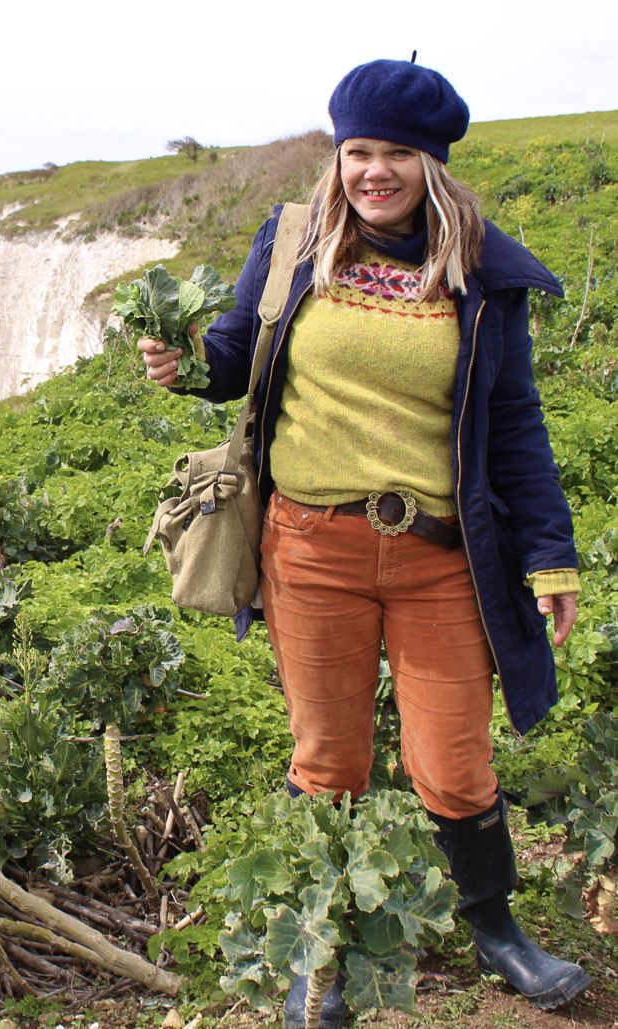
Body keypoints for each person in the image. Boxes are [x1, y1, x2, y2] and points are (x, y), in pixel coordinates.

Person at [139, 58, 590, 1029]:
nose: (373, 172)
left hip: (440, 557)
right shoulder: (298, 239)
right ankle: (323, 958)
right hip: (312, 550)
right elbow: (234, 356)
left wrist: (550, 556)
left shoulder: (479, 271)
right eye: (357, 152)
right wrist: (183, 367)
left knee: (454, 760)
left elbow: (515, 425)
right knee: (328, 759)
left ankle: (495, 929)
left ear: (432, 162)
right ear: (337, 154)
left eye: (396, 154)